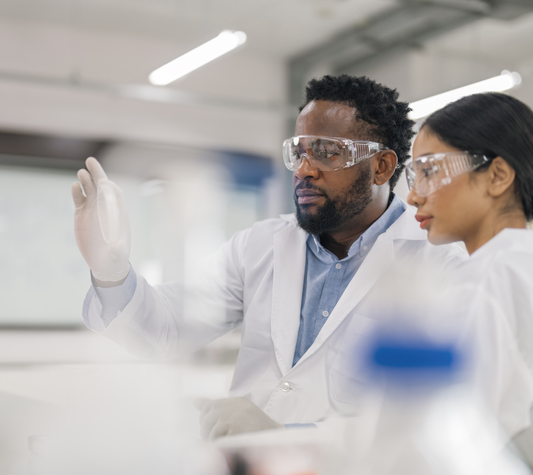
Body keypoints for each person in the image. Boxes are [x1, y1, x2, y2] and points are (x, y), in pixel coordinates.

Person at [72, 75, 464, 438]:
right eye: (298, 152)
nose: (304, 170)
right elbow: (166, 330)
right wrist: (111, 274)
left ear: (381, 167)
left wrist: (288, 433)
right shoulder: (259, 246)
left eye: (326, 152)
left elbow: (434, 420)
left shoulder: (439, 263)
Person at [406, 92, 533, 473]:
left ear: (497, 176)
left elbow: (447, 453)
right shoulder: (521, 270)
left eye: (428, 171)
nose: (412, 196)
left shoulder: (487, 282)